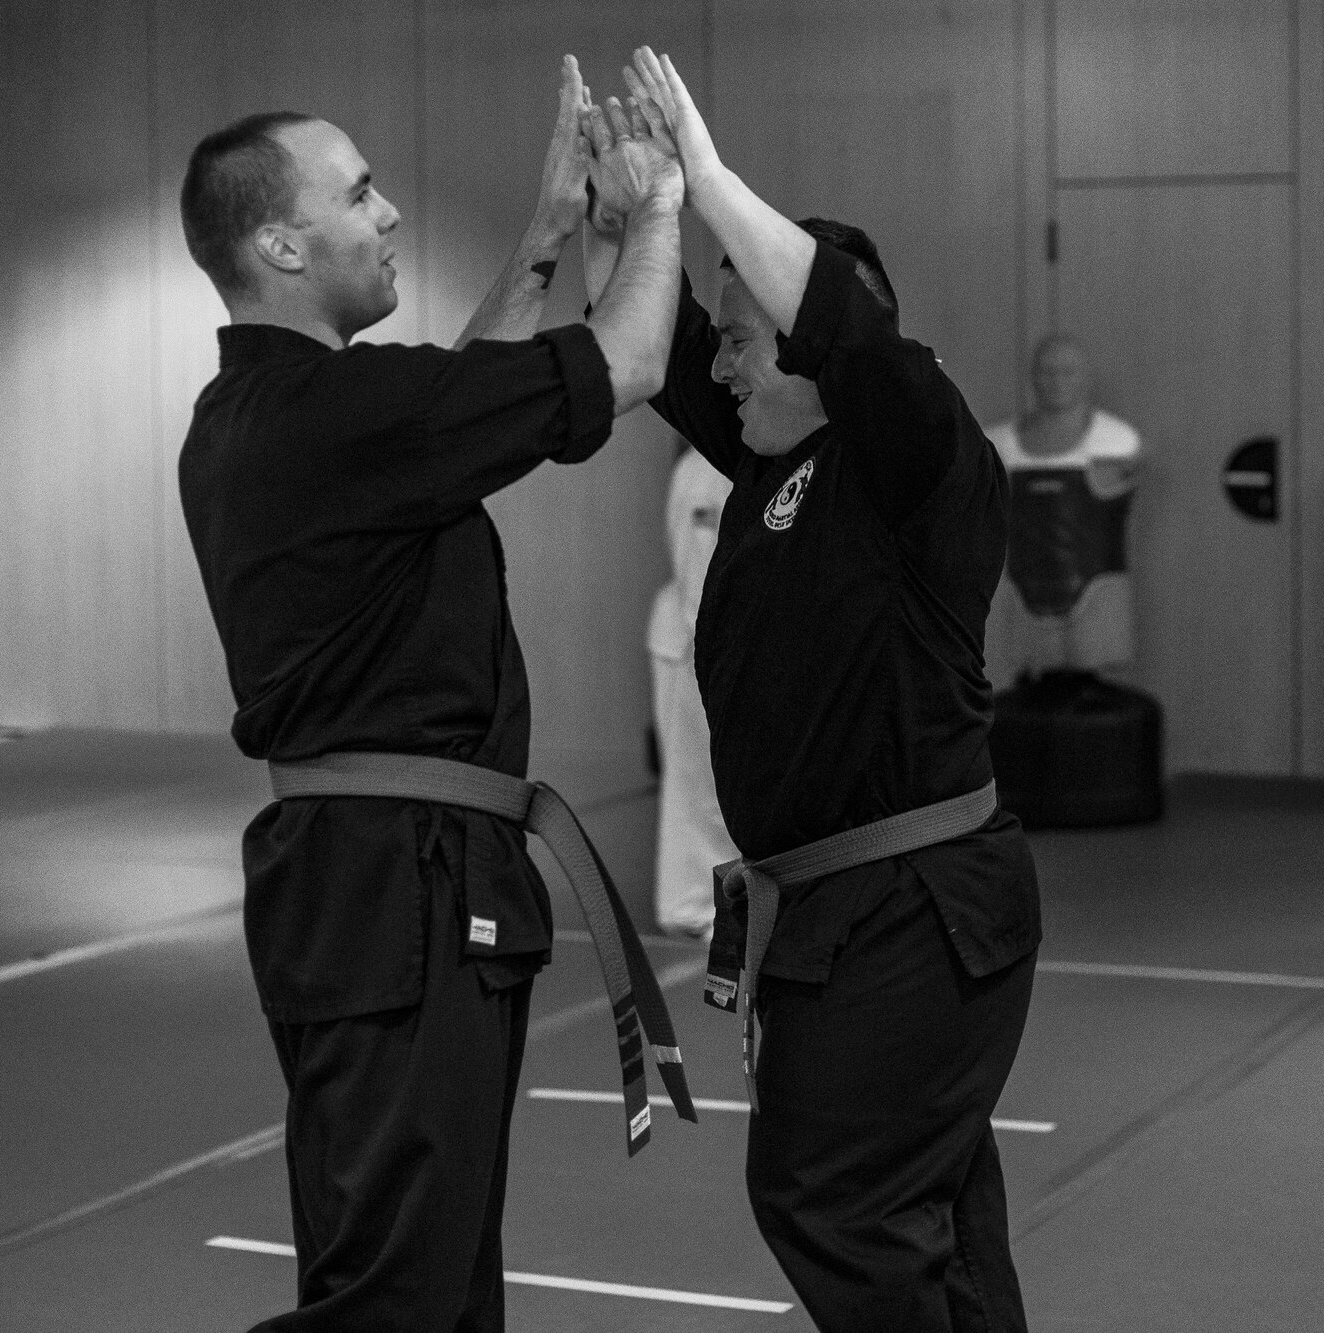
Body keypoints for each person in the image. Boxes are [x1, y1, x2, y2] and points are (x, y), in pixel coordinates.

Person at [176, 63, 686, 1331]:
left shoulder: (289, 415)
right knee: (394, 1295)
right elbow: (621, 364)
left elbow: (454, 407)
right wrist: (664, 204)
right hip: (392, 891)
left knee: (438, 1279)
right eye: (359, 193)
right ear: (283, 243)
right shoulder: (329, 416)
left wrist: (553, 234)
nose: (390, 211)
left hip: (381, 882)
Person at [588, 47, 1041, 1333]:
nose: (727, 370)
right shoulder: (771, 462)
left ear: (816, 353)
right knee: (934, 1214)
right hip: (845, 909)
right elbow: (662, 351)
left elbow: (853, 332)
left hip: (916, 909)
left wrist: (716, 181)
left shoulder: (915, 463)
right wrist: (632, 221)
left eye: (751, 341)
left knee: (828, 1194)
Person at [985, 333, 1143, 682]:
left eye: (1067, 372)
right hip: (1022, 595)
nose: (1056, 381)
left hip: (1097, 597)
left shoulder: (1116, 441)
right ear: (1032, 377)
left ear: (1085, 377)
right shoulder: (999, 443)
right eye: (1046, 372)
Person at [648, 444, 737, 937]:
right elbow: (698, 576)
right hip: (697, 647)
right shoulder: (703, 471)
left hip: (727, 647)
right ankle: (699, 908)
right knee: (701, 790)